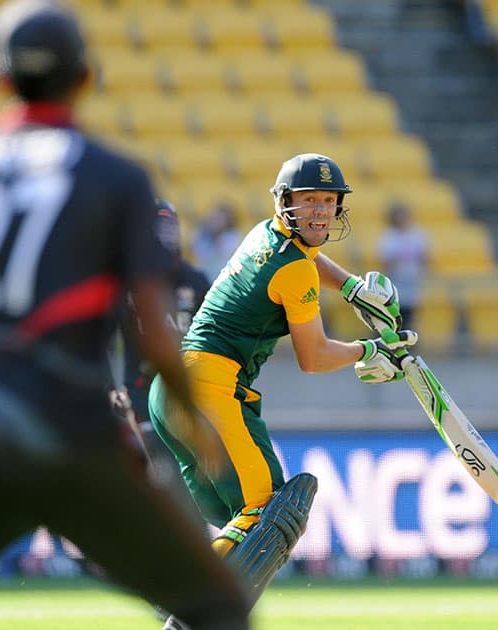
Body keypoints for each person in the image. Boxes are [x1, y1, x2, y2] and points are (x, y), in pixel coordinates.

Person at [0, 2, 250, 629]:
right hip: (75, 436)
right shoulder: (116, 179)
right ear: (86, 77)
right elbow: (155, 332)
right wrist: (199, 435)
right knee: (218, 610)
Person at [147, 153, 419, 628]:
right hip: (211, 390)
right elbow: (313, 358)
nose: (319, 211)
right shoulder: (293, 270)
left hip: (171, 392)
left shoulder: (265, 234)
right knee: (270, 513)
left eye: (329, 201)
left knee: (242, 521)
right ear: (285, 202)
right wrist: (369, 351)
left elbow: (309, 261)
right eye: (308, 200)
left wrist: (352, 287)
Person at [117, 198, 212, 490]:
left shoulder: (195, 282)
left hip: (187, 392)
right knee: (153, 473)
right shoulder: (127, 284)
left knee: (192, 476)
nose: (162, 233)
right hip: (141, 391)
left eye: (167, 224)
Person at [377, 201, 428, 329]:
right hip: (394, 284)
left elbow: (425, 257)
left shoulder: (418, 234)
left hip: (412, 283)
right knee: (391, 317)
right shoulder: (389, 236)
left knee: (408, 318)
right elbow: (386, 262)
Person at [190, 200, 242, 281]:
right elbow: (197, 253)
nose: (216, 221)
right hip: (204, 277)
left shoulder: (233, 237)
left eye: (219, 218)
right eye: (214, 217)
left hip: (224, 280)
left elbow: (225, 255)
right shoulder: (203, 234)